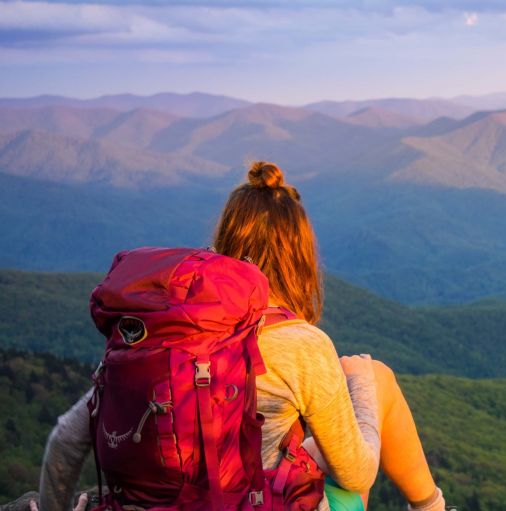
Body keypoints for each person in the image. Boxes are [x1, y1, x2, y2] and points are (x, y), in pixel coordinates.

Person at [36, 161, 445, 511]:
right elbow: (357, 471)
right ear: (300, 255)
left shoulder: (170, 335)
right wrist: (359, 386)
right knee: (375, 378)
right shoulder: (302, 345)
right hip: (256, 499)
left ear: (223, 246)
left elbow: (65, 442)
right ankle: (431, 506)